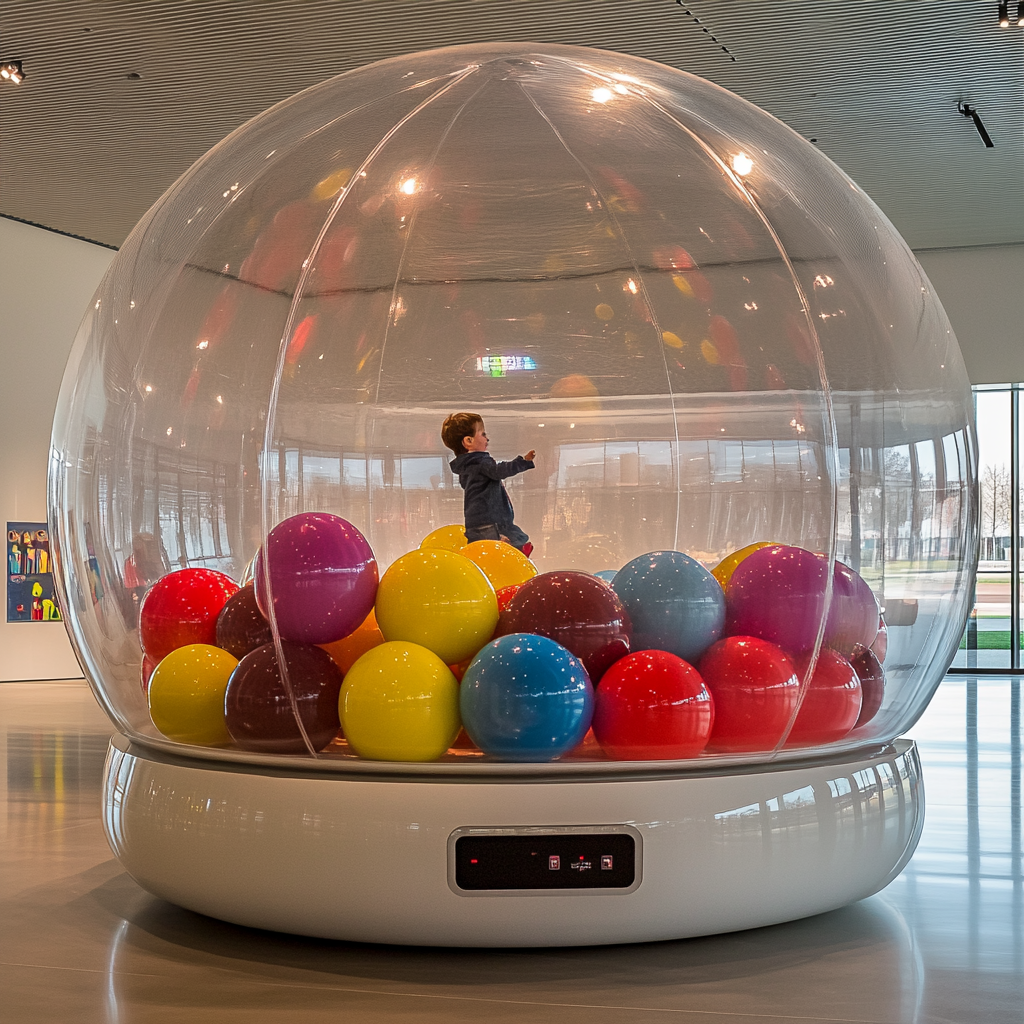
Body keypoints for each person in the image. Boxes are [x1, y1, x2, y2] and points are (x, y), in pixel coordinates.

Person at [442, 412, 535, 555]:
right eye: (483, 434)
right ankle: (516, 551)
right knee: (502, 545)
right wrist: (523, 462)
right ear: (468, 441)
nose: (487, 438)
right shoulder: (480, 461)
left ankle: (513, 549)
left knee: (482, 549)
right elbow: (499, 471)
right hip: (491, 519)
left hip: (475, 522)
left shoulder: (465, 467)